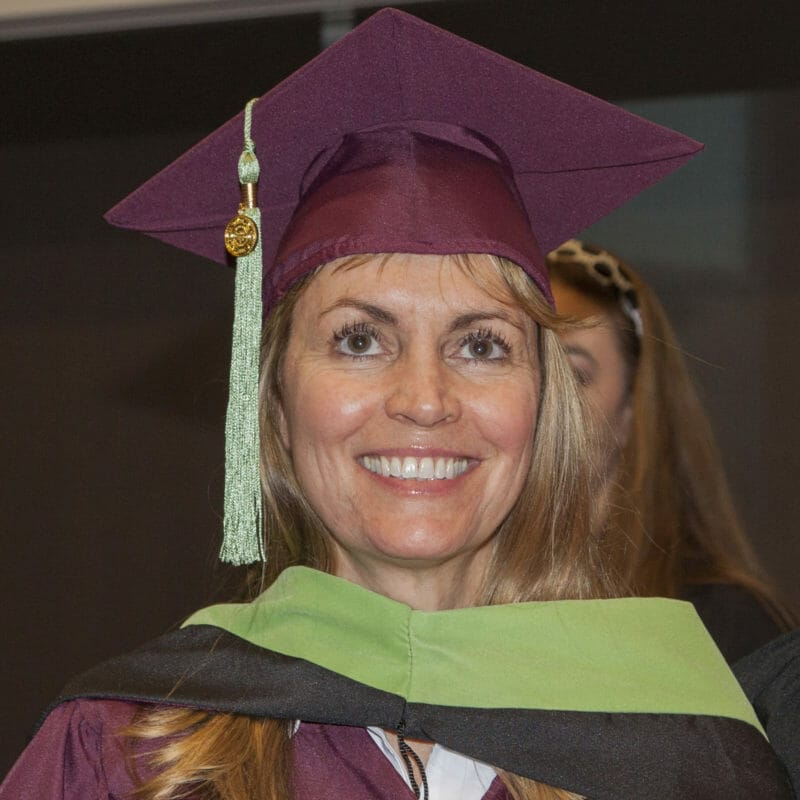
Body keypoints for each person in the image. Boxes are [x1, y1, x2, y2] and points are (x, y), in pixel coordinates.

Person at [0, 9, 792, 800]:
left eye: (481, 344)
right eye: (358, 340)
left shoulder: (685, 751)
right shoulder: (127, 756)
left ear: (546, 404)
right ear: (273, 400)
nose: (423, 400)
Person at [547, 240, 795, 662]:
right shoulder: (455, 597)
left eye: (573, 375)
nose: (541, 397)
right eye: (512, 362)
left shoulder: (723, 625)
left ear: (633, 412)